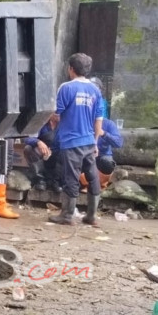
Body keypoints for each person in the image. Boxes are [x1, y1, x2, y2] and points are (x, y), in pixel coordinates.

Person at [48, 53, 104, 226]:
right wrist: (95, 141)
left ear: (71, 68)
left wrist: (49, 119)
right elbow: (98, 119)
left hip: (71, 141)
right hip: (88, 141)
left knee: (71, 178)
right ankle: (92, 215)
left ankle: (66, 216)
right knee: (92, 176)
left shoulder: (66, 88)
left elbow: (57, 114)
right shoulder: (95, 90)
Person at [81, 116, 122, 191]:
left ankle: (100, 185)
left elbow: (118, 143)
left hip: (103, 155)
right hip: (85, 154)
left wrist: (103, 133)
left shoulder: (109, 124)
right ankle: (86, 184)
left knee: (107, 163)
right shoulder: (83, 121)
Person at [23, 117, 60, 192]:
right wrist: (38, 142)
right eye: (56, 111)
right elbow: (27, 138)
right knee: (28, 149)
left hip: (59, 155)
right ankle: (40, 180)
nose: (59, 113)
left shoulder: (65, 124)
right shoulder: (42, 123)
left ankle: (57, 182)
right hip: (44, 155)